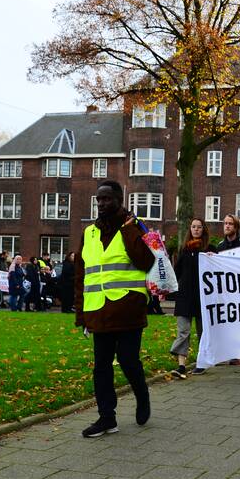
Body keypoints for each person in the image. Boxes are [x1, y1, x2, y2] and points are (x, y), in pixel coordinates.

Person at [75, 180, 155, 438]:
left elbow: (145, 260)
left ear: (119, 200)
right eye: (98, 200)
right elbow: (82, 275)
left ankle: (142, 395)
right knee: (101, 366)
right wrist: (81, 314)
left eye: (107, 199)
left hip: (128, 308)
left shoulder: (133, 226)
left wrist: (130, 229)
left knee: (129, 361)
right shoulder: (89, 233)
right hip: (98, 311)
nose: (101, 204)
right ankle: (106, 418)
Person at [170, 218, 217, 378]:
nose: (196, 229)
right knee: (183, 331)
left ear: (204, 230)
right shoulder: (184, 250)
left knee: (202, 332)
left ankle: (201, 362)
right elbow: (176, 272)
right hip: (184, 296)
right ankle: (181, 365)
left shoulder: (210, 249)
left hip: (202, 297)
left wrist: (214, 259)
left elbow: (218, 271)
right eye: (193, 227)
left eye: (199, 227)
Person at [215, 214, 240, 365]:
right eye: (225, 224)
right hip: (225, 290)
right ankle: (226, 351)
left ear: (236, 227)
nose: (227, 226)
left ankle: (236, 352)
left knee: (238, 321)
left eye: (230, 224)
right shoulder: (220, 246)